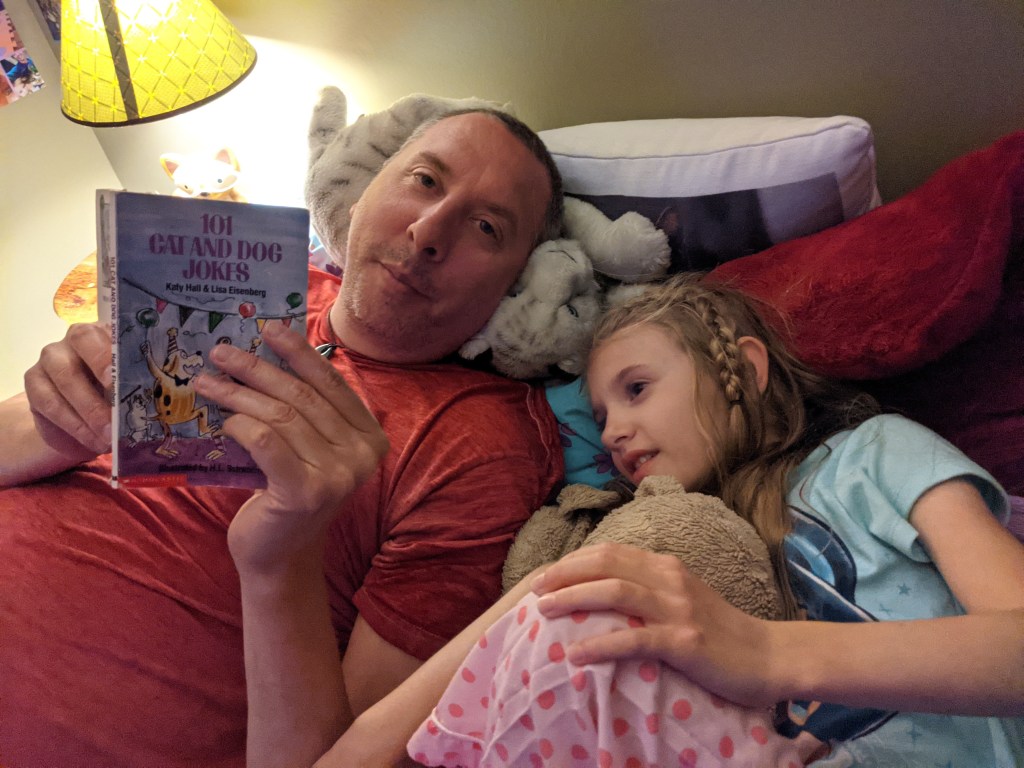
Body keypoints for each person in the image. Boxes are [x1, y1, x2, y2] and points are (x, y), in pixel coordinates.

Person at [0, 108, 566, 767]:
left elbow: (335, 759)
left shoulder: (482, 444)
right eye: (424, 180)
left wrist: (280, 559)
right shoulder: (239, 283)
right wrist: (62, 427)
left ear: (516, 284)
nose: (428, 231)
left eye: (487, 227)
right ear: (365, 190)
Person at [313, 273, 1024, 766]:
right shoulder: (678, 538)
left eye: (638, 389)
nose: (614, 433)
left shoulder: (870, 457)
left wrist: (766, 653)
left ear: (743, 371)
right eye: (601, 416)